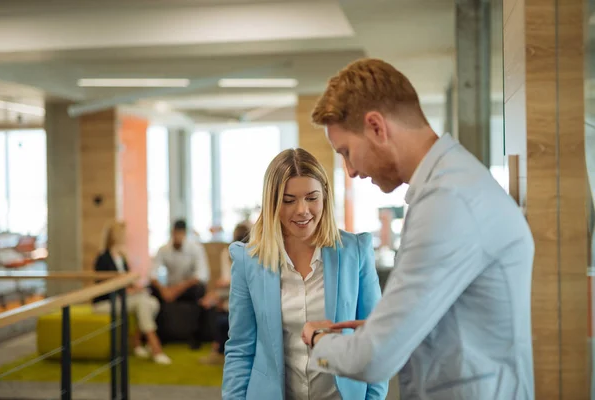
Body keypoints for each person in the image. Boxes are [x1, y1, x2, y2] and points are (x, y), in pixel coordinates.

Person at [300, 58, 535, 399]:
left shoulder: (447, 201)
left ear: (377, 127)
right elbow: (464, 320)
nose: (350, 170)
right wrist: (386, 328)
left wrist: (319, 340)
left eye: (347, 152)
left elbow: (374, 359)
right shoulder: (453, 184)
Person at [222, 148, 388, 400]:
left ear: (325, 196)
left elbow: (375, 338)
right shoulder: (248, 261)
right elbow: (240, 349)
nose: (302, 210)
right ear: (272, 203)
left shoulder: (355, 252)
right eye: (288, 200)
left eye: (311, 198)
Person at [92, 221, 171, 365]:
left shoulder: (121, 257)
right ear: (114, 236)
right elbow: (104, 285)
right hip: (106, 302)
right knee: (142, 302)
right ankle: (155, 347)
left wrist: (135, 288)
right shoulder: (103, 258)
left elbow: (128, 280)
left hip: (122, 299)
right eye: (122, 234)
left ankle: (137, 343)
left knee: (152, 302)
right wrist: (128, 290)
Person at [150, 219, 210, 349]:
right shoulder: (163, 250)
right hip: (169, 290)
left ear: (184, 233)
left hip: (187, 289)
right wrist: (163, 290)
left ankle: (196, 336)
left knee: (199, 290)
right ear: (172, 233)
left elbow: (201, 275)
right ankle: (161, 335)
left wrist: (177, 290)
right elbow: (153, 274)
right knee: (151, 290)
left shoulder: (195, 248)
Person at [199, 220, 252, 365]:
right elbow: (226, 278)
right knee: (214, 306)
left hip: (244, 295)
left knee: (219, 307)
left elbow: (245, 282)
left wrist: (220, 291)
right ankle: (218, 350)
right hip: (230, 293)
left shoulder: (253, 253)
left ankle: (217, 350)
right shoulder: (227, 252)